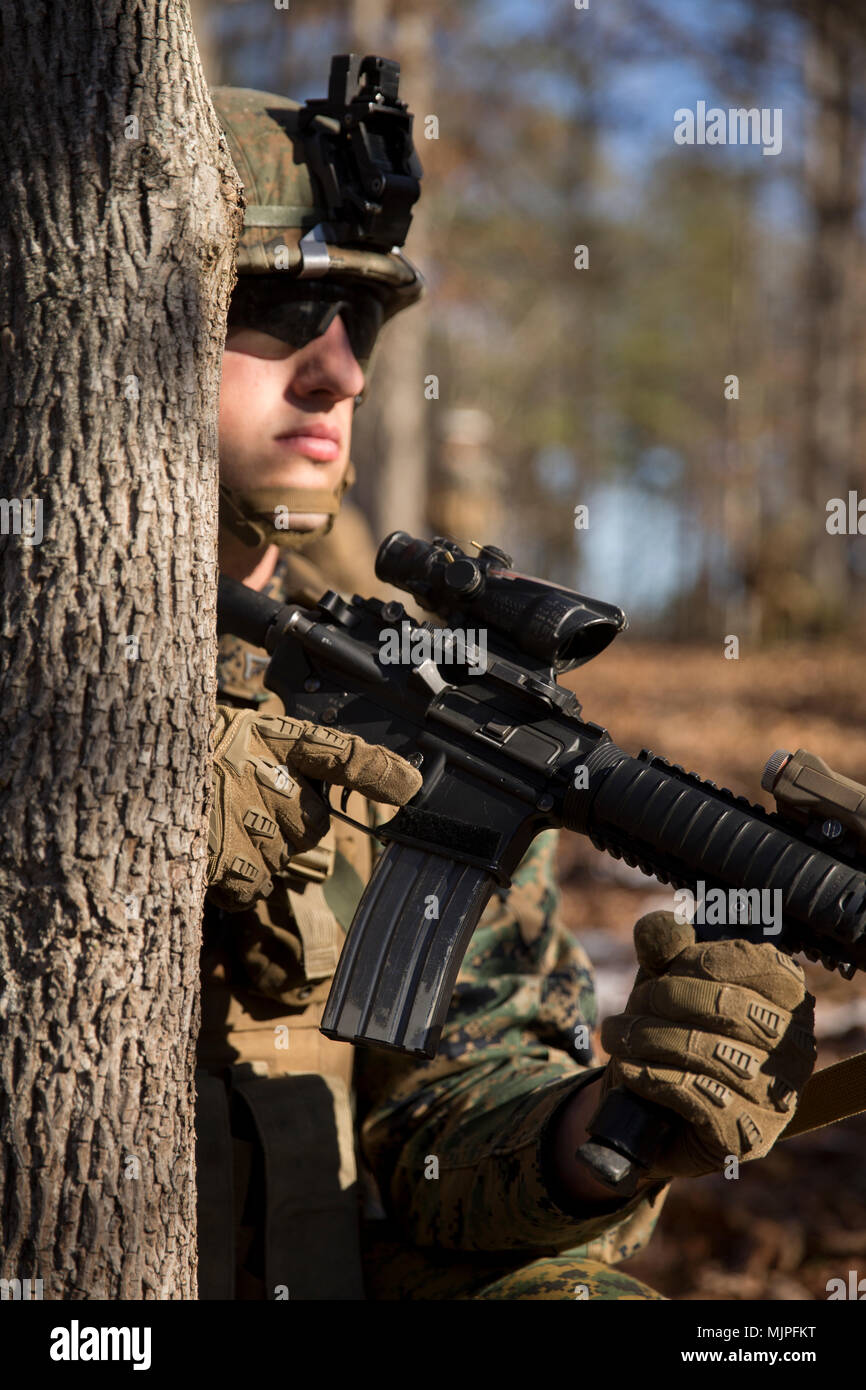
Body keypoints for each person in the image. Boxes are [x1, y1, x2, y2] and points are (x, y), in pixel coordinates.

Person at [198, 69, 817, 1301]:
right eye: (271, 308)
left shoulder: (407, 704)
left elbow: (441, 1117)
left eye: (360, 323)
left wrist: (603, 1130)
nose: (340, 373)